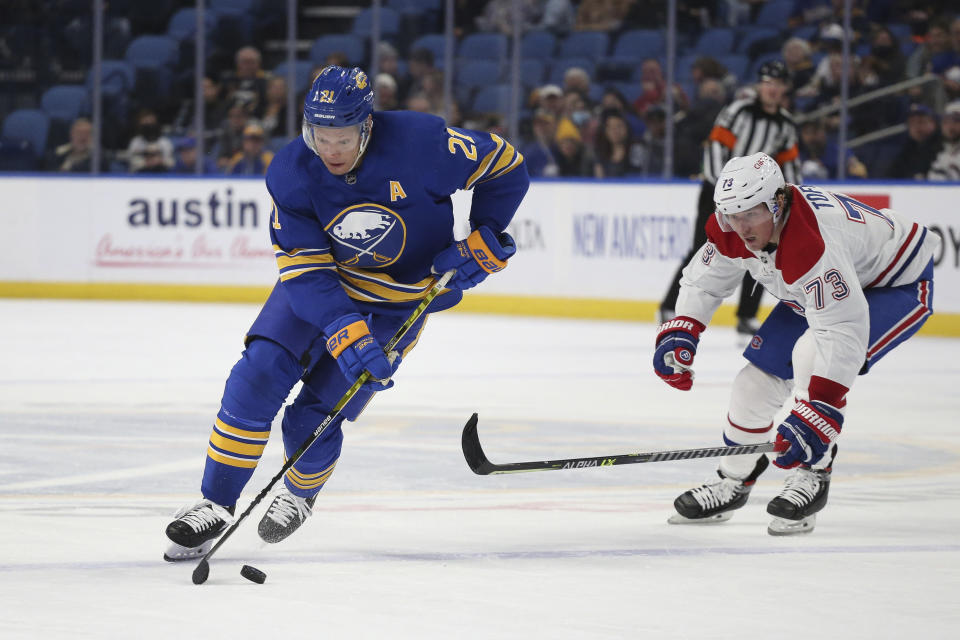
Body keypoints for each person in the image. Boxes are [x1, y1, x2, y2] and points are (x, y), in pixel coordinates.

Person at [163, 66, 529, 560]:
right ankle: (215, 503)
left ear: (367, 126)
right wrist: (342, 327)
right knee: (256, 376)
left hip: (398, 303)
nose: (330, 150)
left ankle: (299, 492)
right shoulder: (292, 172)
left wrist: (484, 234)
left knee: (316, 412)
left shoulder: (423, 142)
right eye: (320, 136)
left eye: (342, 138)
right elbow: (307, 271)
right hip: (321, 291)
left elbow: (506, 168)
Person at [653, 151, 939, 536]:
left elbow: (841, 328)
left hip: (893, 286)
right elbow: (704, 279)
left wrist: (820, 409)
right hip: (822, 290)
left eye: (751, 213)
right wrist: (682, 326)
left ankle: (814, 473)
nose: (741, 226)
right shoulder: (735, 227)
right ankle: (734, 479)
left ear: (779, 201)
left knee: (811, 356)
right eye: (731, 215)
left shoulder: (812, 240)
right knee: (751, 386)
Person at [658, 60, 802, 340]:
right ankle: (670, 307)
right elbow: (715, 148)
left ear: (785, 89)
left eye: (778, 84)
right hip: (718, 194)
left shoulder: (785, 124)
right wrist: (720, 192)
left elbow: (790, 168)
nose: (772, 89)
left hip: (759, 202)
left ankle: (746, 315)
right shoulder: (738, 111)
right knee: (702, 248)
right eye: (767, 83)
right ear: (760, 85)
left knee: (762, 252)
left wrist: (791, 198)